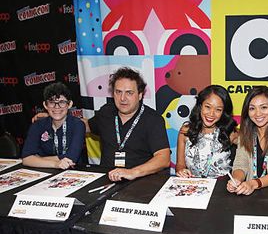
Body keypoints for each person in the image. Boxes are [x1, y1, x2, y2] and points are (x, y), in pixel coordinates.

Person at [33, 67, 170, 181]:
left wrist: (132, 172)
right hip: (106, 178)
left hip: (140, 181)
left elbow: (163, 158)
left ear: (140, 95)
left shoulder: (153, 119)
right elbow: (84, 126)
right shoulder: (106, 111)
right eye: (118, 92)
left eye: (129, 93)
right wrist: (56, 116)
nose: (123, 98)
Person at [176, 85, 238, 178]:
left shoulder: (230, 133)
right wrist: (181, 171)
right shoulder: (185, 131)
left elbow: (253, 149)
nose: (211, 114)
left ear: (223, 112)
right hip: (194, 187)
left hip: (222, 188)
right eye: (208, 107)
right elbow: (180, 165)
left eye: (218, 110)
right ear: (200, 106)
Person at [22, 82, 85, 169]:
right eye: (52, 102)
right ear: (45, 105)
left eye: (62, 102)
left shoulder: (78, 125)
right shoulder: (38, 125)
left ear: (69, 104)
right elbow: (26, 159)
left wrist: (37, 159)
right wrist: (55, 164)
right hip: (43, 172)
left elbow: (71, 158)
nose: (57, 107)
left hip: (73, 173)